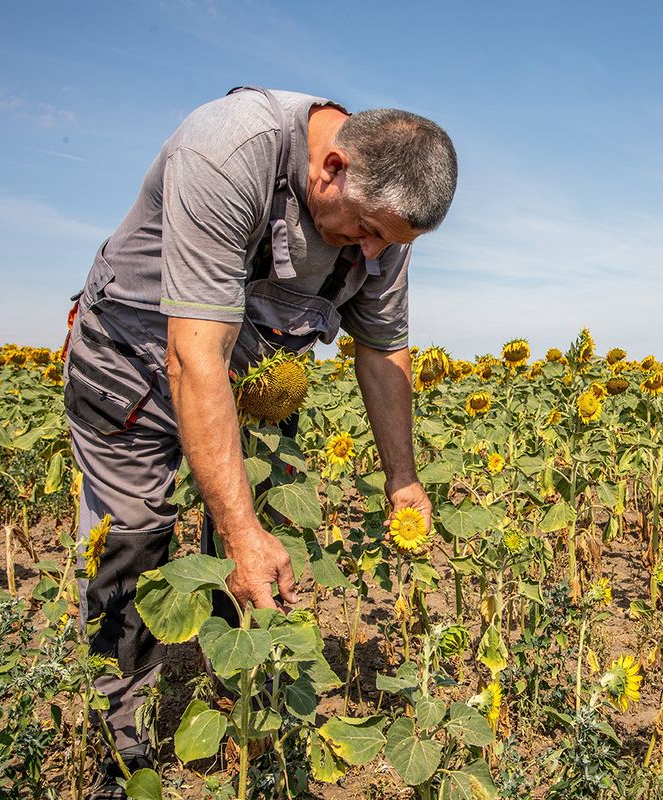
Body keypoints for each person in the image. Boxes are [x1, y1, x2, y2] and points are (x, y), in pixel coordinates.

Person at [62, 87, 456, 797]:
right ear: (331, 166)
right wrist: (234, 525)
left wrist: (404, 478)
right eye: (367, 230)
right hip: (138, 362)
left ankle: (240, 706)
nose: (372, 253)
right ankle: (117, 754)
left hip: (252, 377)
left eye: (389, 243)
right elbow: (193, 355)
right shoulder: (230, 151)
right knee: (134, 541)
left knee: (265, 545)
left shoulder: (380, 223)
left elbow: (382, 350)